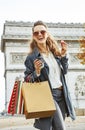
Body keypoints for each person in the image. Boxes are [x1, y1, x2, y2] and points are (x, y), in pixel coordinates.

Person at [24, 20, 76, 130]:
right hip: (48, 95)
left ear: (47, 34)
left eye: (42, 32)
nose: (39, 34)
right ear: (33, 36)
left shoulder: (55, 52)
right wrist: (37, 72)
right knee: (61, 128)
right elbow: (27, 79)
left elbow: (65, 71)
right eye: (36, 33)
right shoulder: (31, 58)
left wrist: (63, 56)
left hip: (62, 94)